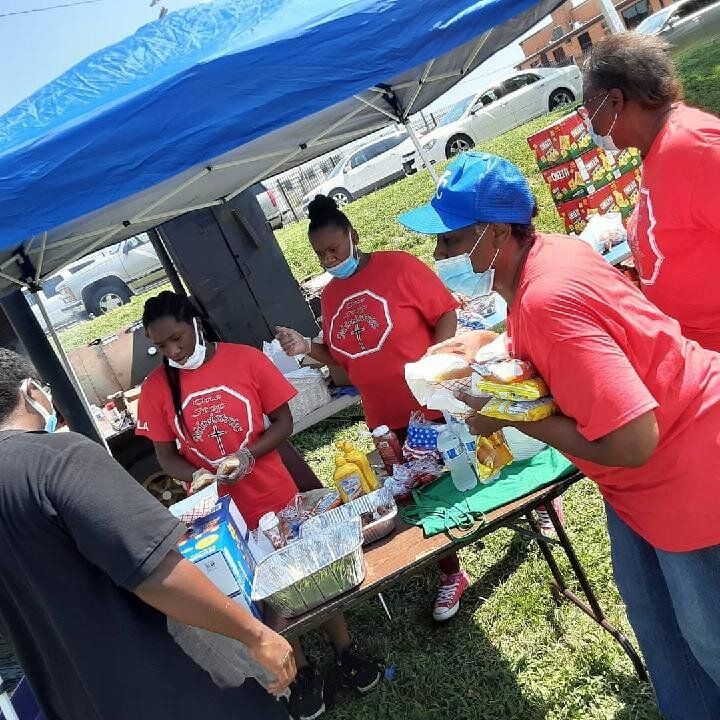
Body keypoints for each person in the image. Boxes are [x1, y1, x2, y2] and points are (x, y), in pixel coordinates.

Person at [399, 151, 720, 720]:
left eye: (450, 240)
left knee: (707, 635)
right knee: (658, 621)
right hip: (639, 484)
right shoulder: (548, 257)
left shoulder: (547, 297)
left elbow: (632, 440)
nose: (439, 256)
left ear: (496, 234)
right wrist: (490, 350)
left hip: (685, 469)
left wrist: (512, 416)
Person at [0, 348, 294, 720]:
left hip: (78, 700)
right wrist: (257, 634)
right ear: (30, 393)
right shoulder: (59, 458)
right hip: (174, 688)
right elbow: (155, 573)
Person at [137, 290, 379, 720]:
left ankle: (345, 650)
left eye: (177, 338)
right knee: (269, 595)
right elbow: (164, 456)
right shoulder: (157, 388)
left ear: (194, 322)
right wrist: (196, 475)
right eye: (161, 347)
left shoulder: (244, 358)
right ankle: (301, 670)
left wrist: (250, 454)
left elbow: (283, 422)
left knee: (312, 574)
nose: (172, 351)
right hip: (222, 515)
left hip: (275, 492)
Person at [275, 194, 470, 622]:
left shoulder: (398, 266)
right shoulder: (328, 299)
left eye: (334, 249)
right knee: (420, 493)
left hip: (432, 402)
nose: (328, 259)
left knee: (475, 466)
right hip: (386, 420)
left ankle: (545, 510)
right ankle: (452, 571)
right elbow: (345, 367)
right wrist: (308, 347)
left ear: (354, 236)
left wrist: (436, 364)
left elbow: (445, 314)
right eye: (320, 254)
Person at [582, 32, 720, 352]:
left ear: (615, 101)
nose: (589, 124)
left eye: (590, 111)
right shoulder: (657, 151)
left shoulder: (694, 147)